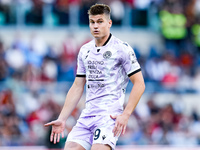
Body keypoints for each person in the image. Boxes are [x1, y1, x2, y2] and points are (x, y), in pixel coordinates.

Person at [44, 3, 145, 150]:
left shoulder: (122, 49)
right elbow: (78, 85)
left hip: (108, 117)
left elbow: (139, 84)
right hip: (87, 116)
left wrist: (126, 114)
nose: (95, 26)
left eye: (100, 21)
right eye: (92, 22)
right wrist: (62, 118)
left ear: (109, 23)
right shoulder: (85, 50)